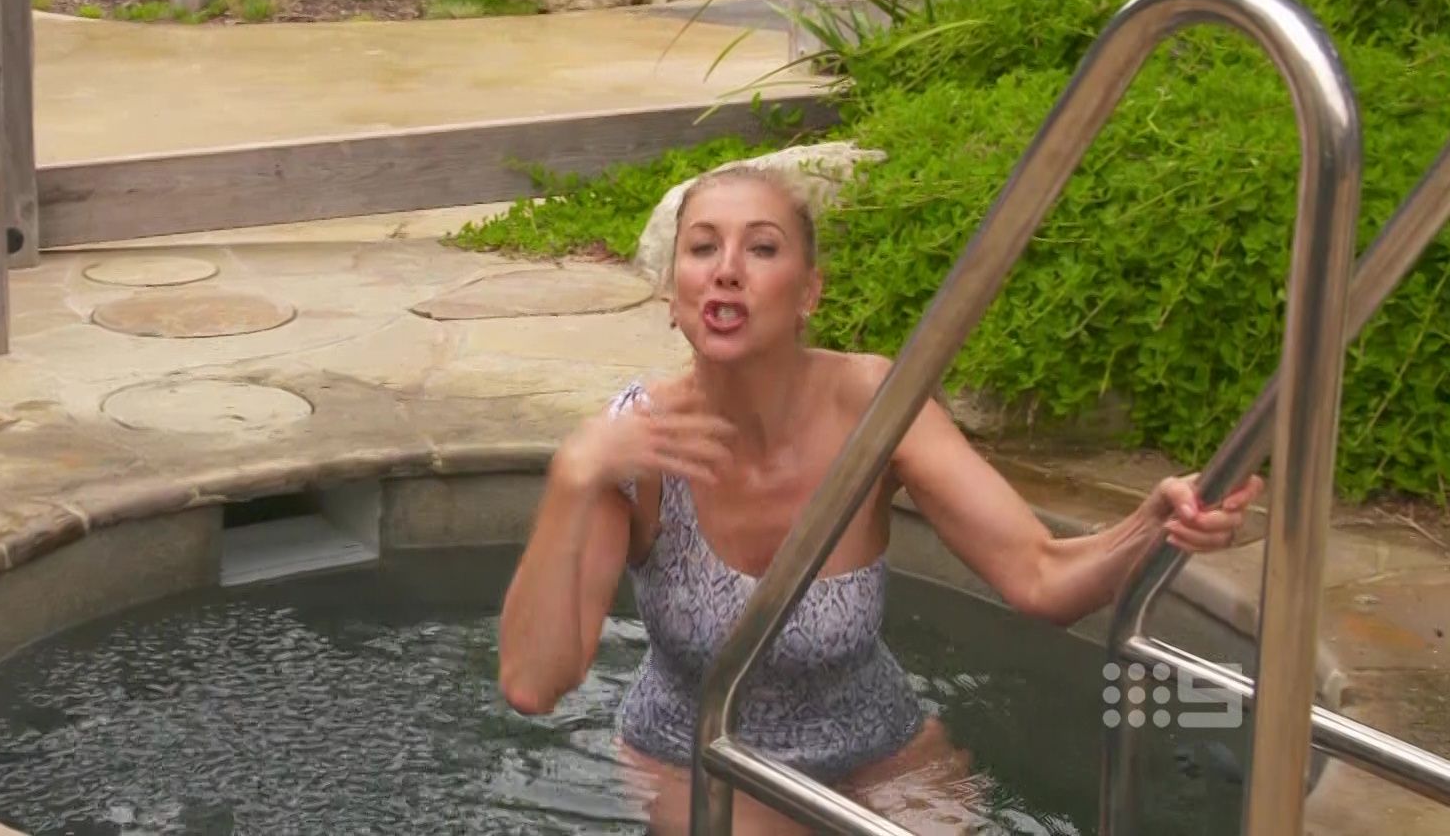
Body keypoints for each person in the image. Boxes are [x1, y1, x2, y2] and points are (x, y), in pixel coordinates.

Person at [496, 166, 1262, 834]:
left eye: (761, 248)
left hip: (878, 744)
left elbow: (1040, 576)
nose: (727, 270)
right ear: (674, 296)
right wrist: (573, 478)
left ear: (810, 292)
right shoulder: (638, 447)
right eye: (702, 248)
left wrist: (1154, 523)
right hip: (696, 755)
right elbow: (533, 684)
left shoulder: (875, 407)